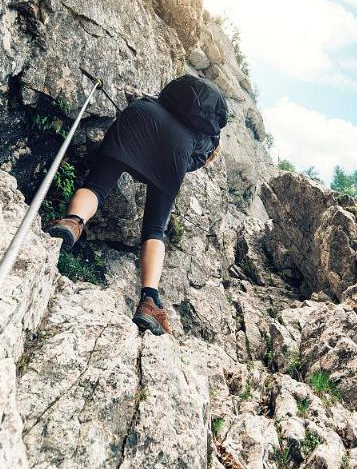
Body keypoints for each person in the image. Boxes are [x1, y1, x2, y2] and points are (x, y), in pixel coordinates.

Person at [45, 74, 227, 335]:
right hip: (177, 146)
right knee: (154, 229)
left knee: (97, 185)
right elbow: (187, 163)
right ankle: (150, 301)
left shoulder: (172, 99)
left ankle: (72, 222)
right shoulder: (209, 139)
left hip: (140, 114)